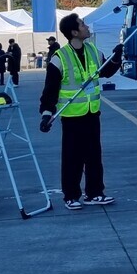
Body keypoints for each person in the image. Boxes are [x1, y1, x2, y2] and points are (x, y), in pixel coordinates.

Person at [38, 13, 123, 211]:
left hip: (92, 113)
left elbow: (106, 71)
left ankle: (95, 193)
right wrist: (46, 115)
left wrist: (116, 58)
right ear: (74, 32)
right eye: (82, 24)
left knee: (94, 155)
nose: (86, 26)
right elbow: (50, 91)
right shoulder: (59, 58)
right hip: (72, 116)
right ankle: (71, 195)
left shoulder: (93, 50)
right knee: (72, 157)